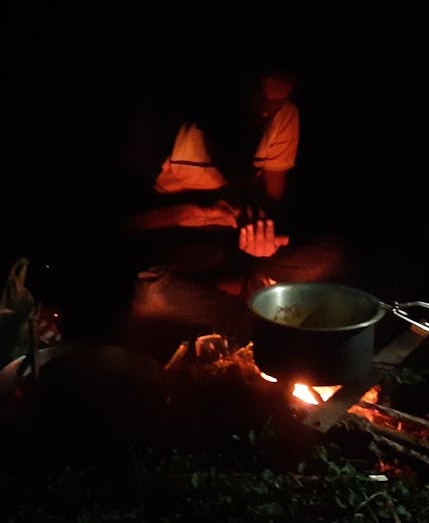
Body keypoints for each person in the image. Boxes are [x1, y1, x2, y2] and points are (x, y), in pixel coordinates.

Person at [117, 68, 343, 353]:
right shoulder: (165, 121)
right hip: (176, 256)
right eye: (258, 97)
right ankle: (250, 316)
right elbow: (123, 221)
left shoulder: (281, 116)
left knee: (330, 255)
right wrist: (192, 213)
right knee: (149, 298)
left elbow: (273, 205)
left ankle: (249, 303)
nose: (265, 111)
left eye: (277, 101)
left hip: (238, 252)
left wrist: (262, 231)